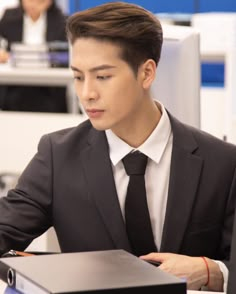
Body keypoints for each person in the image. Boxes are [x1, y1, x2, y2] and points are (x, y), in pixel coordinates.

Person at [0, 2, 236, 291]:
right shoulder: (57, 156)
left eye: (102, 76)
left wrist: (213, 271)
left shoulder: (222, 163)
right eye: (78, 76)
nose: (87, 93)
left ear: (147, 73)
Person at [0, 0, 68, 112]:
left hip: (49, 86)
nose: (33, 4)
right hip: (15, 84)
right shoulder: (9, 17)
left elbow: (64, 54)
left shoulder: (61, 20)